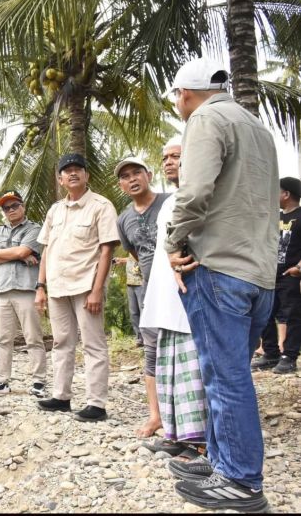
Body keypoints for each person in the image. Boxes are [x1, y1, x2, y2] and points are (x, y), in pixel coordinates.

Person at [164, 57, 278, 512]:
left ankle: (241, 482)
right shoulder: (257, 128)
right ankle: (220, 460)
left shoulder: (205, 119)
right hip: (260, 272)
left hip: (221, 267)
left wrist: (173, 240)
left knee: (225, 376)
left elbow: (193, 193)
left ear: (184, 94)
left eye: (176, 97)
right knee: (229, 374)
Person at [34, 153, 119, 422]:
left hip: (86, 287)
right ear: (60, 179)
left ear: (87, 175)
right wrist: (40, 286)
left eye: (78, 169)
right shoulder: (55, 210)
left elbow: (106, 250)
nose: (73, 173)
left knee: (94, 344)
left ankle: (97, 404)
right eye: (67, 170)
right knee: (62, 343)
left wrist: (97, 289)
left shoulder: (101, 206)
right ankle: (61, 397)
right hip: (57, 287)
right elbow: (47, 250)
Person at [140, 138, 207, 456]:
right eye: (165, 157)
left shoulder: (201, 194)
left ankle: (196, 439)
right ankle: (174, 434)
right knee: (168, 366)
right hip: (165, 294)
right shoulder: (168, 202)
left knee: (191, 367)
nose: (168, 162)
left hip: (189, 292)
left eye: (176, 156)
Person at [114, 155, 171, 439]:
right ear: (121, 185)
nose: (132, 179)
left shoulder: (170, 202)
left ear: (148, 174)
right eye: (125, 176)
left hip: (181, 288)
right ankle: (156, 415)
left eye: (137, 172)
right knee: (151, 352)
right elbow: (136, 254)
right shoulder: (123, 219)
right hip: (152, 292)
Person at [0, 189, 46, 396]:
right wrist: (20, 257)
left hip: (26, 289)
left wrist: (18, 254)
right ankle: (1, 381)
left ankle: (38, 381)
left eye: (14, 205)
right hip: (2, 291)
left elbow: (21, 251)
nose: (11, 210)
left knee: (33, 337)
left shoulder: (34, 229)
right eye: (6, 207)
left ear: (23, 206)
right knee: (3, 338)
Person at [251, 176, 301, 374]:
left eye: (276, 191)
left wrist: (299, 267)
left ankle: (289, 357)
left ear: (286, 194)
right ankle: (270, 353)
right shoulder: (276, 217)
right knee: (265, 312)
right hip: (270, 274)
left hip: (291, 275)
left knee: (292, 316)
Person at [111, 255, 145, 347]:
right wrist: (121, 260)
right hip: (130, 283)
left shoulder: (142, 244)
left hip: (141, 283)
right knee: (133, 313)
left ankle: (147, 338)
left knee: (143, 311)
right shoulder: (131, 246)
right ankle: (139, 338)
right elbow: (132, 258)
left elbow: (142, 258)